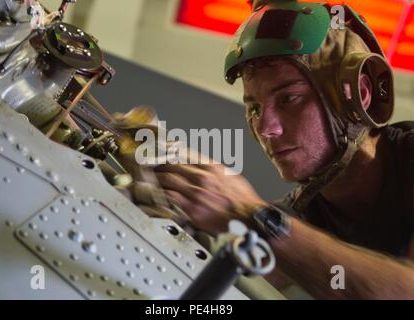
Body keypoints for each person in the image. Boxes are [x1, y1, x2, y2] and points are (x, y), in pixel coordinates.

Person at [154, 0, 414, 299]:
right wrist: (172, 203)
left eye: (288, 99)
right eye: (253, 108)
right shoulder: (300, 213)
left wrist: (250, 214)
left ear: (360, 94)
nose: (266, 128)